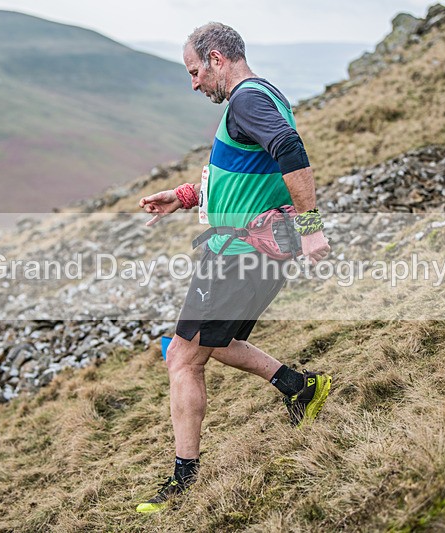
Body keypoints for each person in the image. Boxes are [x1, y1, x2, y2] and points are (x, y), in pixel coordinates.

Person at [136, 22, 332, 514]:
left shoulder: (246, 100)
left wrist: (312, 225)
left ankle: (184, 482)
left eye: (195, 71)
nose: (194, 83)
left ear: (217, 59)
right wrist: (186, 195)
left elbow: (289, 148)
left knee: (183, 357)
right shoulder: (264, 95)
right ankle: (300, 387)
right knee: (214, 341)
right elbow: (248, 171)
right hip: (254, 251)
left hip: (239, 254)